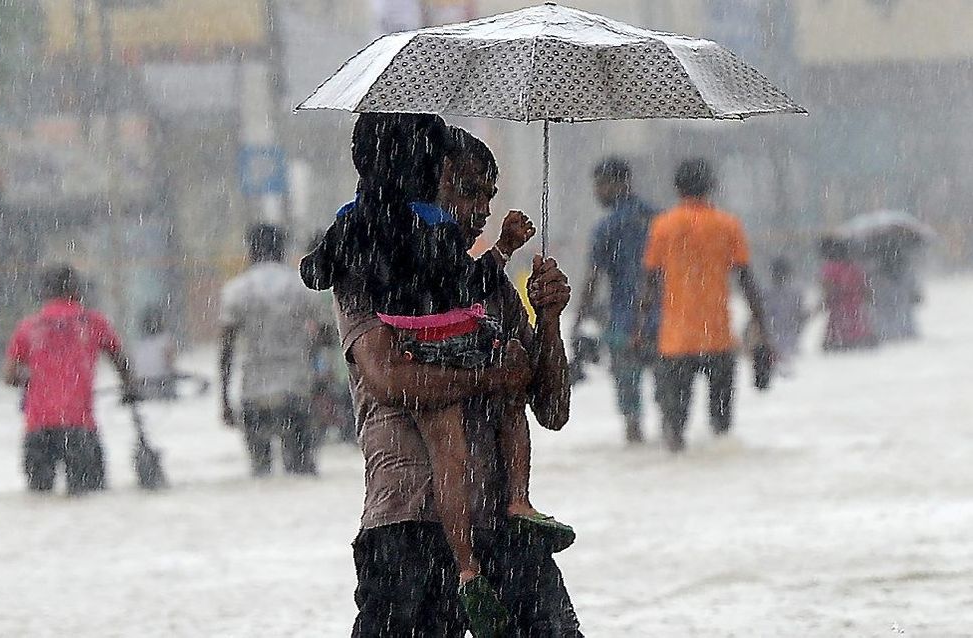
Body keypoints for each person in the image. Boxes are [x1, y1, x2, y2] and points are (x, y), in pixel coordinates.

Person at [302, 114, 573, 635]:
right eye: (467, 192)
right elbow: (392, 380)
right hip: (409, 527)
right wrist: (493, 379)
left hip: (502, 528)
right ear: (426, 184)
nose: (479, 213)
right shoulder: (368, 271)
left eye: (488, 198)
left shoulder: (489, 284)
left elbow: (553, 410)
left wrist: (550, 320)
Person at [638, 158, 770, 453]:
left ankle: (677, 481)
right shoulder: (728, 225)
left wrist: (640, 327)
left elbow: (649, 283)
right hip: (718, 337)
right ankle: (721, 485)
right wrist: (762, 328)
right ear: (711, 185)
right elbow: (747, 281)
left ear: (677, 187)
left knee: (674, 428)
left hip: (675, 340)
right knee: (722, 429)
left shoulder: (663, 226)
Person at [2, 265, 136, 494]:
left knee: (40, 501)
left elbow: (9, 376)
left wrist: (36, 379)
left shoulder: (28, 327)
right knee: (89, 500)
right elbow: (120, 361)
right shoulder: (92, 322)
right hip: (79, 427)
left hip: (38, 428)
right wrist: (130, 387)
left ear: (44, 292)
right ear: (76, 289)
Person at [219, 224, 322, 477]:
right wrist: (319, 379)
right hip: (296, 388)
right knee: (302, 472)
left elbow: (226, 350)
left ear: (251, 250)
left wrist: (223, 398)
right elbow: (324, 336)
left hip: (253, 390)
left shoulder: (236, 290)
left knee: (261, 473)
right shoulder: (301, 287)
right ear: (282, 249)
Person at [573, 157, 659, 443]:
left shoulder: (606, 228)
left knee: (631, 410)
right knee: (669, 404)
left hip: (623, 323)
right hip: (663, 321)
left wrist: (577, 322)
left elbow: (592, 279)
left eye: (600, 185)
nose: (596, 192)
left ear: (619, 183)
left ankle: (636, 455)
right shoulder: (658, 219)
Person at [819, 237, 876, 351]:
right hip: (859, 321)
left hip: (840, 322)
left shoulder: (829, 269)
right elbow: (868, 294)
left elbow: (828, 292)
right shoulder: (855, 268)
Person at [762, 256, 808, 375]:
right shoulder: (796, 293)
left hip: (775, 343)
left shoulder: (766, 292)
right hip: (788, 343)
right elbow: (801, 318)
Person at [130, 306, 178, 400]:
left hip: (142, 389)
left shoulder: (137, 345)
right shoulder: (165, 340)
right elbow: (170, 365)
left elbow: (133, 370)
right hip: (162, 388)